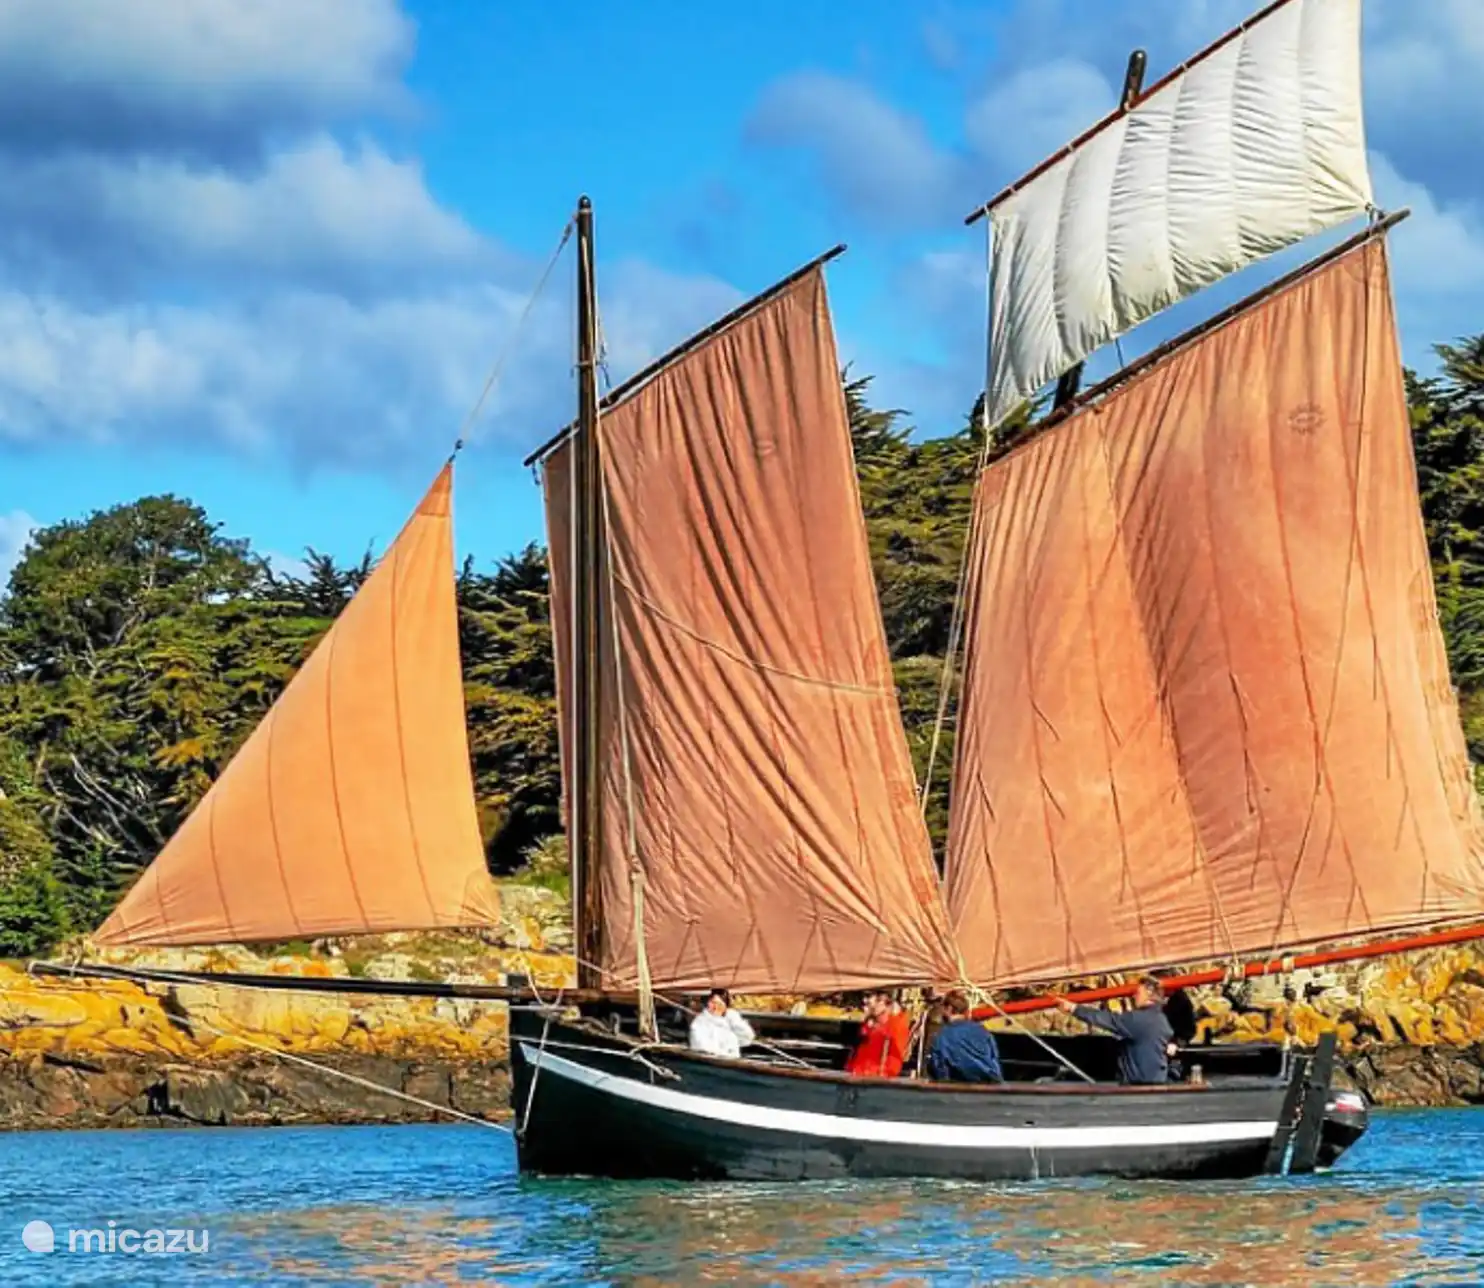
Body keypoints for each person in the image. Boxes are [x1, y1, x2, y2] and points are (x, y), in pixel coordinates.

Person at [1058, 975, 1177, 1085]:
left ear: (1149, 993)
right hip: (1157, 1082)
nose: (1134, 996)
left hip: (1139, 1087)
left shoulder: (1138, 1020)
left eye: (1138, 993)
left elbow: (1107, 1020)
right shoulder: (1161, 1019)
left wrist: (1074, 1008)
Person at [926, 991, 1003, 1083]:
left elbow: (939, 1068)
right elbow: (994, 1056)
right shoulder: (982, 1030)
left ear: (949, 1009)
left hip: (961, 1085)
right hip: (992, 1082)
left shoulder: (942, 1036)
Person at [845, 990, 911, 1077]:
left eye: (868, 996)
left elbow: (894, 1063)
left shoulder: (896, 1026)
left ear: (883, 1000)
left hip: (875, 1080)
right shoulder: (868, 1025)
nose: (864, 1000)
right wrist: (850, 1071)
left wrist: (880, 1077)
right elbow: (856, 1053)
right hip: (857, 1077)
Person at [688, 988, 756, 1059]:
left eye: (720, 1004)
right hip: (710, 1061)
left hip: (733, 1061)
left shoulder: (730, 1018)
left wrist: (733, 1019)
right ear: (708, 1003)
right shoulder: (700, 1022)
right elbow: (701, 1047)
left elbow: (747, 1039)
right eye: (713, 1002)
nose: (716, 1007)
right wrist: (725, 1055)